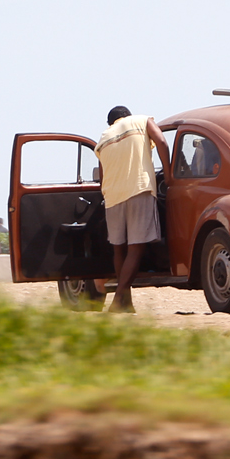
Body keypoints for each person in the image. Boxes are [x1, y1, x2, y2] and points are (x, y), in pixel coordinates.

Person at [95, 105, 172, 313]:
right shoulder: (142, 120)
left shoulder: (104, 137)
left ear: (111, 123)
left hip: (112, 197)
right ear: (127, 116)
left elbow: (103, 174)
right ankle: (119, 298)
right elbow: (162, 142)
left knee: (119, 248)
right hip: (139, 189)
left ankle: (125, 302)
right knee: (136, 247)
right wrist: (168, 174)